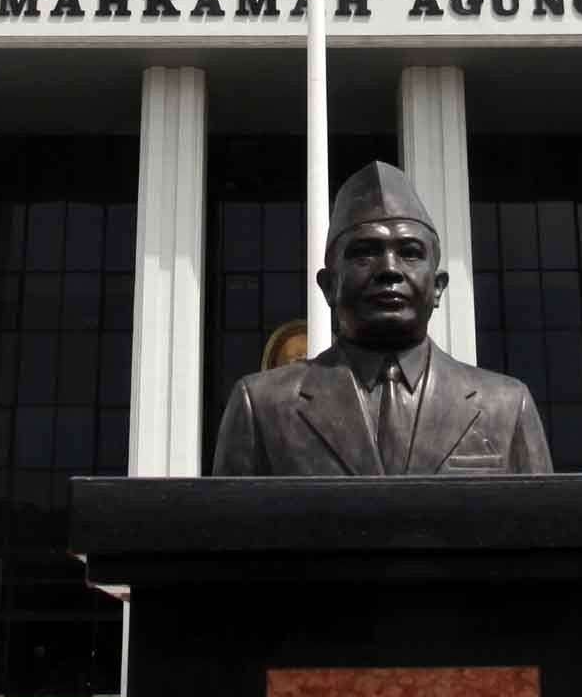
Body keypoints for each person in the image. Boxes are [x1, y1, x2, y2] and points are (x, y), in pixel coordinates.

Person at [211, 161, 552, 476]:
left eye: (410, 253)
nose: (389, 269)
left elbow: (543, 520)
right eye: (365, 253)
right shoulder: (263, 405)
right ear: (329, 286)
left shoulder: (507, 407)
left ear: (438, 287)